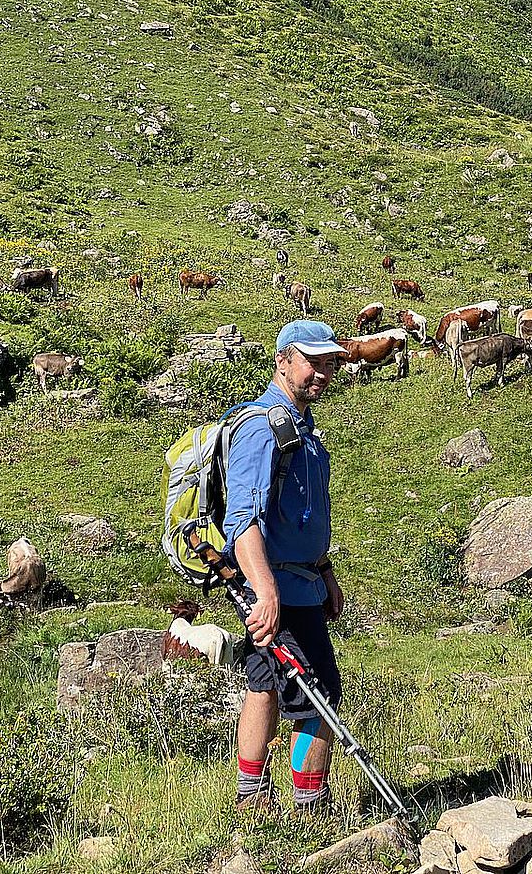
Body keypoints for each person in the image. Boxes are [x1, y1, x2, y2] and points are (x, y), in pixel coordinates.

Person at [222, 319, 345, 812]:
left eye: (329, 363)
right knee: (320, 692)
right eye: (312, 362)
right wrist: (266, 591)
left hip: (301, 583)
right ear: (283, 360)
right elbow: (242, 520)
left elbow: (301, 516)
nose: (322, 373)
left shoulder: (302, 432)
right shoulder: (261, 428)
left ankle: (250, 798)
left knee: (264, 684)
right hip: (276, 590)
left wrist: (325, 572)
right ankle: (309, 807)